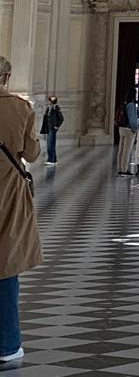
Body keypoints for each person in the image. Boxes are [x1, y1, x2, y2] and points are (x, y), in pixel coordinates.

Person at [0, 55, 42, 364]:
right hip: (7, 193)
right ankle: (7, 344)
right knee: (6, 264)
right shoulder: (20, 108)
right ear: (6, 77)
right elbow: (32, 153)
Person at [116, 90, 138, 176]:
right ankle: (124, 169)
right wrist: (135, 129)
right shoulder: (131, 105)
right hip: (129, 130)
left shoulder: (124, 104)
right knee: (127, 151)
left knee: (121, 150)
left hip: (121, 128)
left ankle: (119, 168)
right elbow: (132, 120)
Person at [39, 96, 63, 166]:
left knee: (50, 144)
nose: (48, 102)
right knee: (51, 144)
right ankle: (54, 160)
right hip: (48, 128)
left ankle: (50, 160)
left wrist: (57, 126)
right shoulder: (49, 108)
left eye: (50, 101)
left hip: (52, 128)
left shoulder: (56, 108)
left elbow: (61, 119)